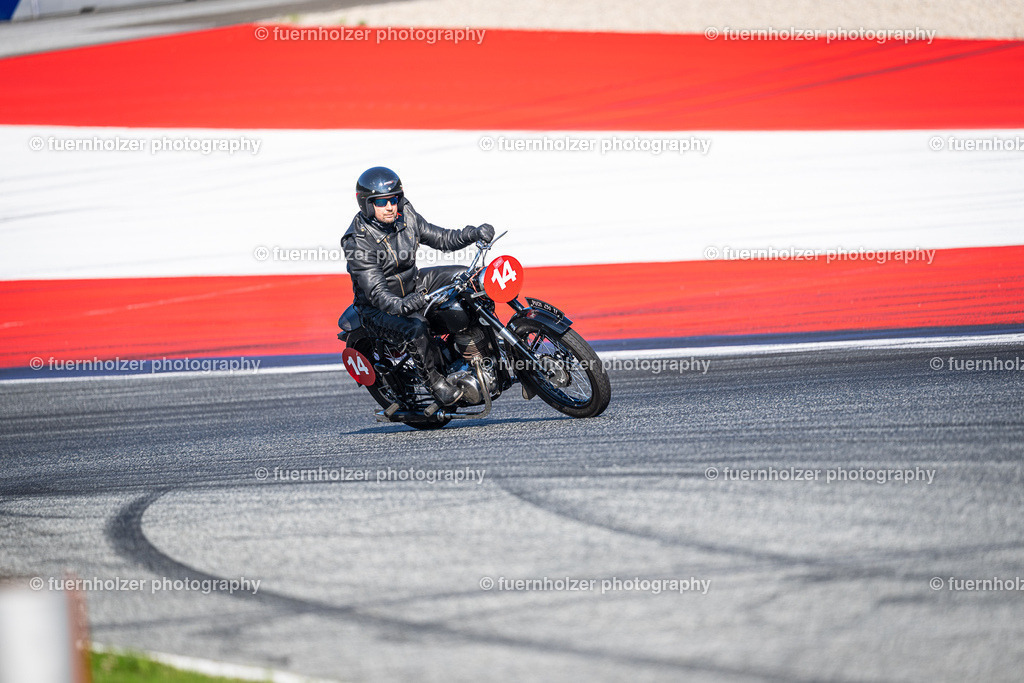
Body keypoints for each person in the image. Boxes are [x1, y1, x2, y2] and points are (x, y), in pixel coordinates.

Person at [341, 167, 495, 406]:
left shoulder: (406, 215)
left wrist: (472, 233)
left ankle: (488, 346)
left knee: (467, 278)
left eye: (394, 199)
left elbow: (441, 238)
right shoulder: (358, 242)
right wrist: (402, 304)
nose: (390, 206)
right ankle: (436, 384)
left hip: (415, 285)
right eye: (381, 202)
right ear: (367, 204)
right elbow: (377, 292)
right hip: (378, 309)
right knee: (416, 327)